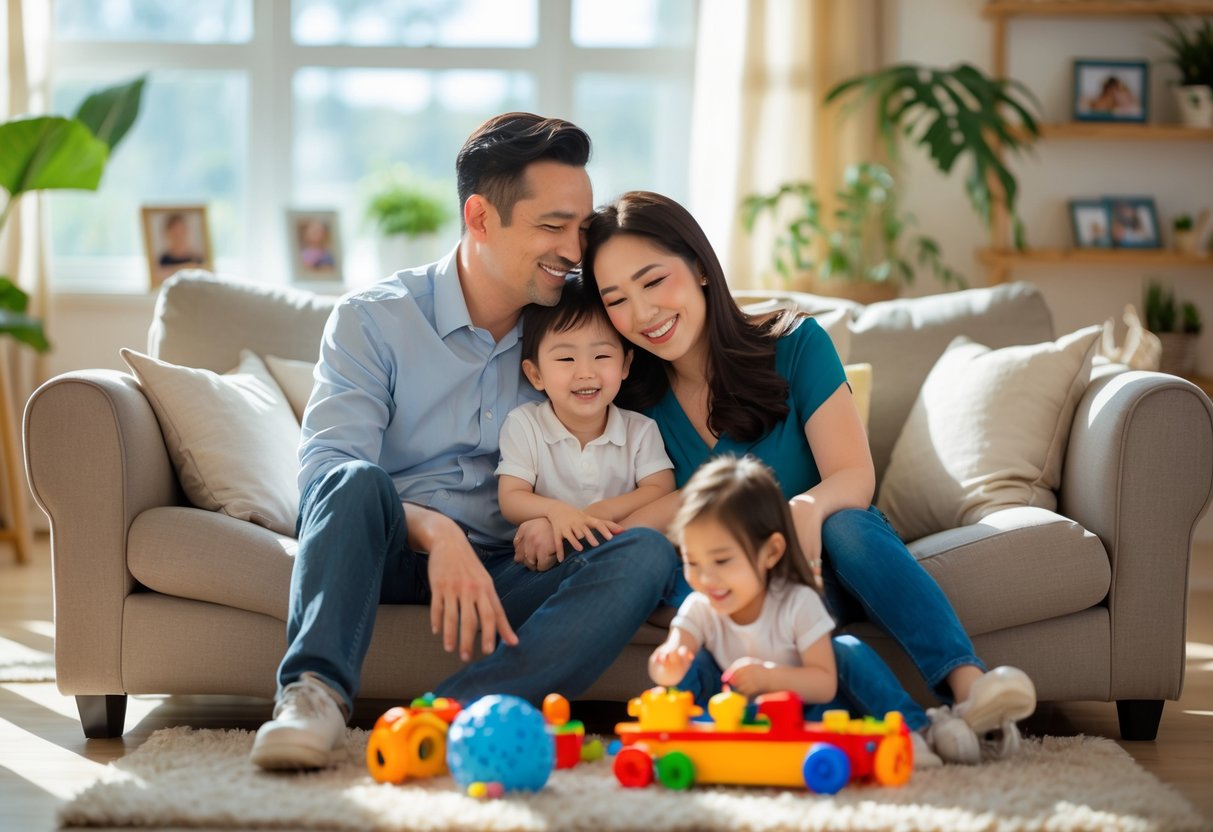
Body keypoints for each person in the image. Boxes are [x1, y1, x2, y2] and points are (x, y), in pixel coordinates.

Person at [250, 115, 685, 771]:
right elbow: (325, 480)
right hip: (386, 551)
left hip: (512, 567)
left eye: (581, 228)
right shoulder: (375, 319)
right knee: (352, 479)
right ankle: (310, 696)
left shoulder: (577, 326)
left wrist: (553, 521)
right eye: (552, 226)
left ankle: (443, 717)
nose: (575, 250)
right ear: (480, 218)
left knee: (644, 553)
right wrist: (438, 535)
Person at [578, 190, 1037, 764]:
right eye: (616, 299)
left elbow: (852, 475)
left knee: (846, 520)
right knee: (666, 560)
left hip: (829, 571)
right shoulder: (633, 401)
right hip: (736, 602)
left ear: (698, 266)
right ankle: (906, 730)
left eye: (653, 282)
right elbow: (661, 507)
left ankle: (973, 691)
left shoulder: (795, 345)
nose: (641, 314)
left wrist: (808, 509)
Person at [652, 454, 958, 768]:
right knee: (694, 663)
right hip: (742, 716)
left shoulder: (798, 602)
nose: (706, 578)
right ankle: (682, 736)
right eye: (692, 562)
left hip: (812, 712)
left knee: (847, 651)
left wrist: (771, 679)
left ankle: (913, 728)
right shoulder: (700, 606)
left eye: (722, 561)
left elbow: (824, 685)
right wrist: (668, 663)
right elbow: (671, 657)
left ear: (770, 552)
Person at [498, 275, 677, 561]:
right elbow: (511, 498)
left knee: (650, 554)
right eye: (566, 359)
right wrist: (556, 513)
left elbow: (661, 488)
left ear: (625, 364)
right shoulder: (524, 424)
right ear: (536, 374)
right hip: (549, 551)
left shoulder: (640, 429)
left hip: (611, 553)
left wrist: (597, 513)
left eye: (602, 356)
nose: (585, 372)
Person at [156, 212, 205, 283]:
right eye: (175, 234)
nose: (179, 237)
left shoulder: (197, 258)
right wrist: (188, 267)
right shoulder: (164, 259)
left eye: (181, 232)